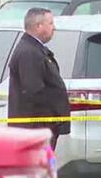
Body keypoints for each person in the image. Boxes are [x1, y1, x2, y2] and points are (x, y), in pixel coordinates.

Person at [7, 8, 71, 148]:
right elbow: (34, 91)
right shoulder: (29, 52)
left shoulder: (35, 49)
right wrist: (50, 118)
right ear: (38, 26)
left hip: (41, 127)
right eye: (50, 23)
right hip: (35, 128)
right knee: (38, 161)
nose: (54, 28)